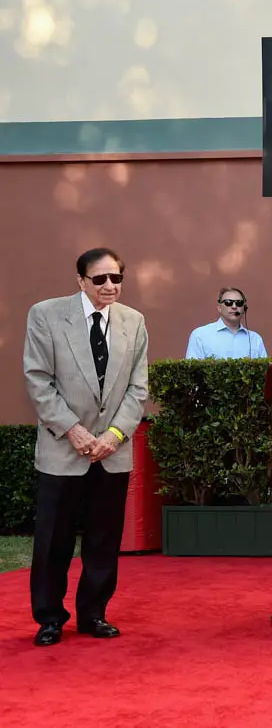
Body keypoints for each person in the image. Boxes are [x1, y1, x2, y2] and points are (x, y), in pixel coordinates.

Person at [23, 248, 150, 647]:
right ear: (81, 281)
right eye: (100, 279)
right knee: (53, 540)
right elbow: (38, 380)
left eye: (116, 278)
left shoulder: (134, 321)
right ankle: (49, 618)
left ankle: (94, 614)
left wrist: (115, 435)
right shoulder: (46, 315)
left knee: (103, 539)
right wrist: (73, 430)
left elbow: (138, 388)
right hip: (63, 448)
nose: (109, 286)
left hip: (112, 452)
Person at [185, 287, 267, 359]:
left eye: (239, 303)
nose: (234, 306)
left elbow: (265, 370)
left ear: (244, 308)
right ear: (219, 308)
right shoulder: (200, 335)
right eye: (228, 302)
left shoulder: (255, 339)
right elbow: (192, 370)